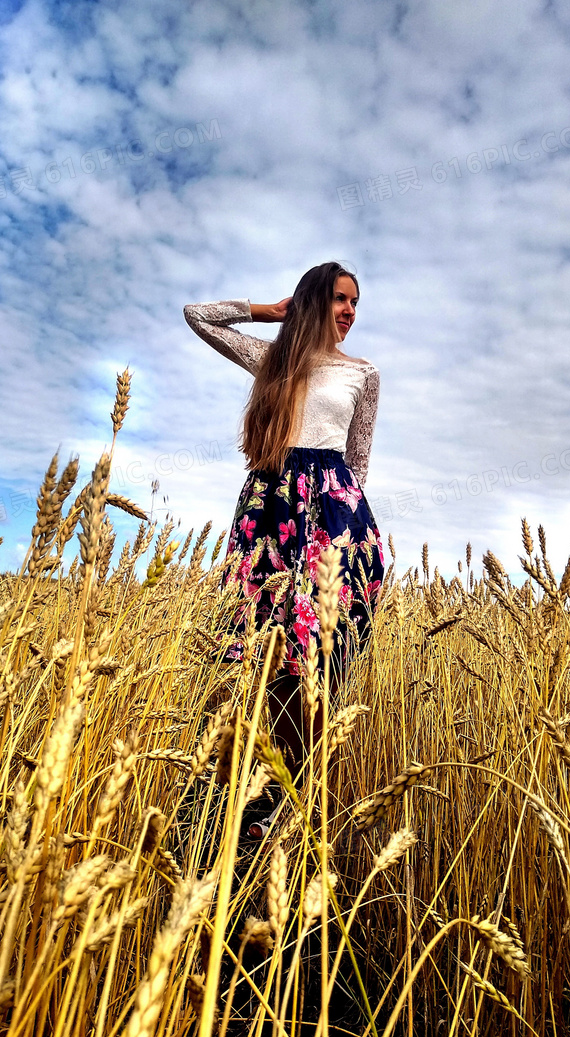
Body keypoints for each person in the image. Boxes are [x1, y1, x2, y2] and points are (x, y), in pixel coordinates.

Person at [183, 261, 385, 778]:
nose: (350, 312)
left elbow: (357, 463)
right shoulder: (274, 360)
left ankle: (298, 795)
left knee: (316, 663)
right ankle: (242, 797)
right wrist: (268, 311)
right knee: (259, 655)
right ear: (314, 301)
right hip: (269, 509)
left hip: (331, 515)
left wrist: (348, 530)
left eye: (355, 303)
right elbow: (198, 317)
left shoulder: (363, 374)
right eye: (341, 299)